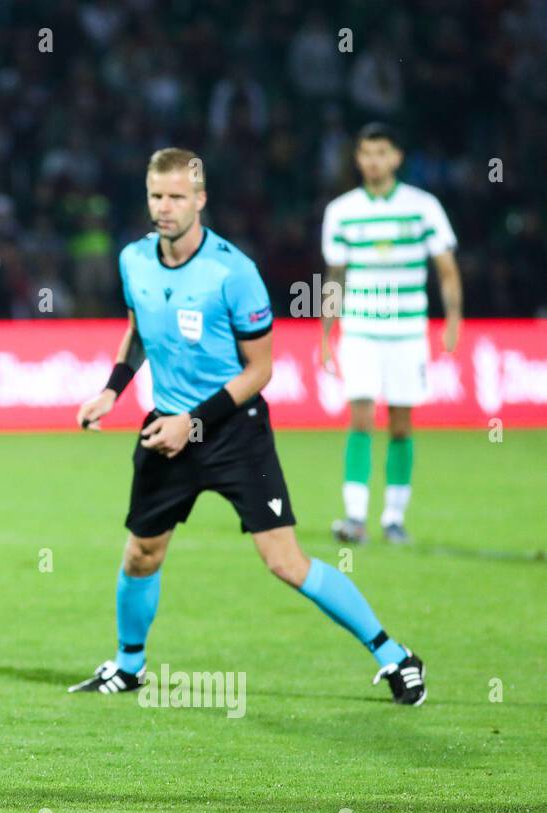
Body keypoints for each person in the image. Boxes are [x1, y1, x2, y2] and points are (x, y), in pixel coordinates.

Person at [70, 148, 425, 706]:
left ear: (200, 200)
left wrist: (195, 421)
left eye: (177, 197)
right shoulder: (133, 260)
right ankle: (129, 666)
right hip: (166, 428)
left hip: (234, 429)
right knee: (141, 553)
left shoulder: (233, 272)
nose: (164, 208)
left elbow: (261, 369)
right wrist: (112, 391)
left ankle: (394, 655)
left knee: (284, 561)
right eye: (156, 196)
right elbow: (139, 332)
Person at [321, 123, 462, 545]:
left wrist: (454, 319)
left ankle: (394, 518)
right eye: (366, 153)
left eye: (381, 152)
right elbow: (335, 276)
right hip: (361, 328)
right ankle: (356, 518)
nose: (373, 160)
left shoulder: (424, 207)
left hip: (406, 331)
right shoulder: (341, 211)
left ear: (397, 157)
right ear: (358, 159)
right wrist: (325, 333)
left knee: (401, 423)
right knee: (360, 415)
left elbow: (447, 269)